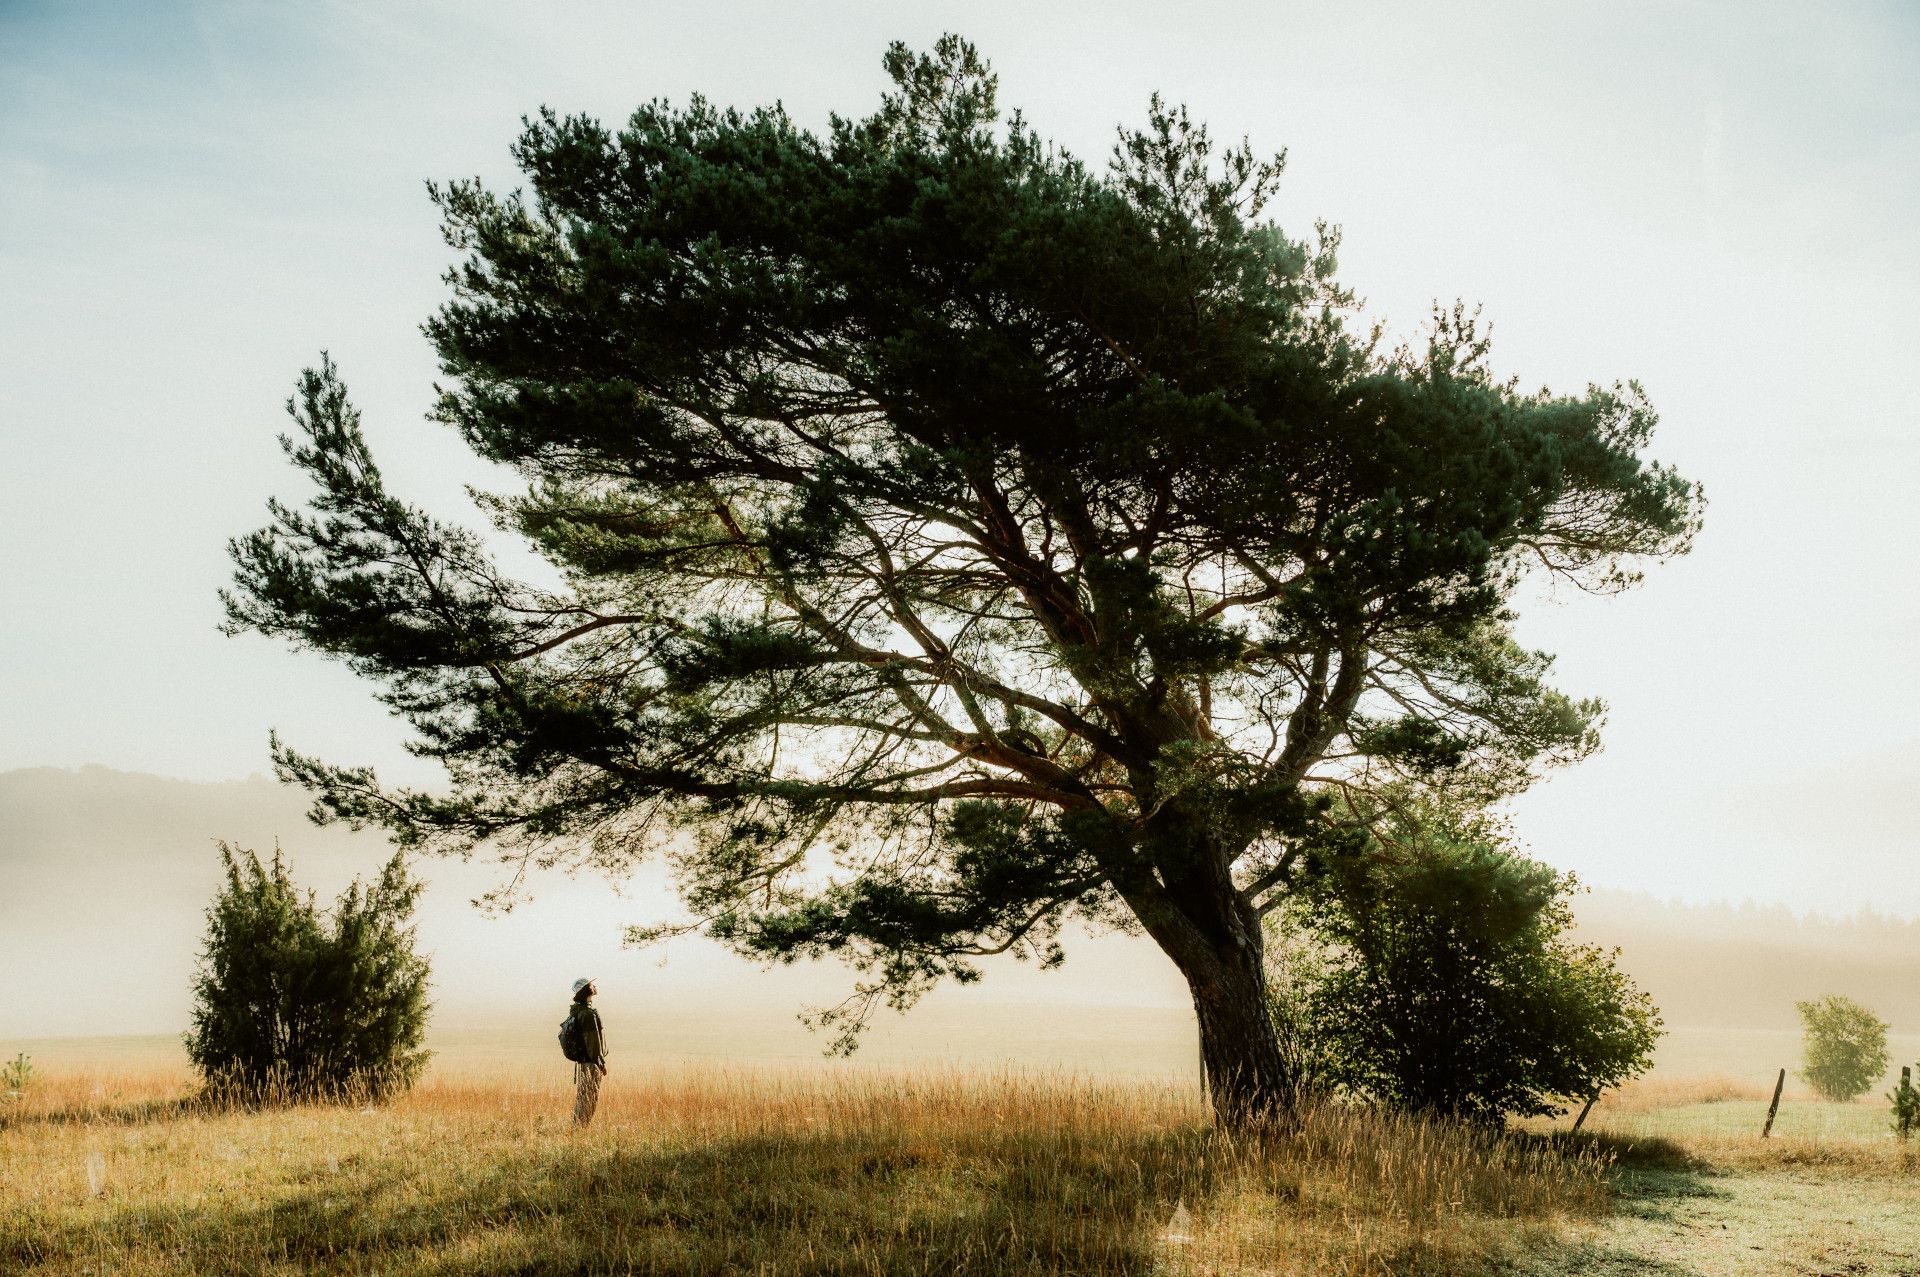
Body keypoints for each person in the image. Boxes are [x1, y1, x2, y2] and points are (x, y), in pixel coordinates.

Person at [568, 977, 607, 1128]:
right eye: (592, 985)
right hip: (591, 1063)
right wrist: (600, 1063)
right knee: (589, 1098)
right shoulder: (588, 1014)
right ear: (587, 990)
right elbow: (593, 1043)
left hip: (584, 1062)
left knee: (583, 1097)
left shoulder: (578, 1011)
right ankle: (579, 1130)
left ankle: (577, 1129)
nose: (595, 986)